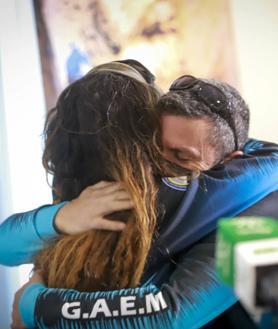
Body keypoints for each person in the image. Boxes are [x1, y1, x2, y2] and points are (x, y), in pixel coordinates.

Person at [1, 62, 278, 328]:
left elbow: (173, 314)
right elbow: (5, 245)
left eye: (182, 156)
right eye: (155, 146)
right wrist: (61, 217)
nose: (160, 163)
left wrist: (35, 305)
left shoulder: (263, 216)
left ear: (230, 160)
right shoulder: (130, 189)